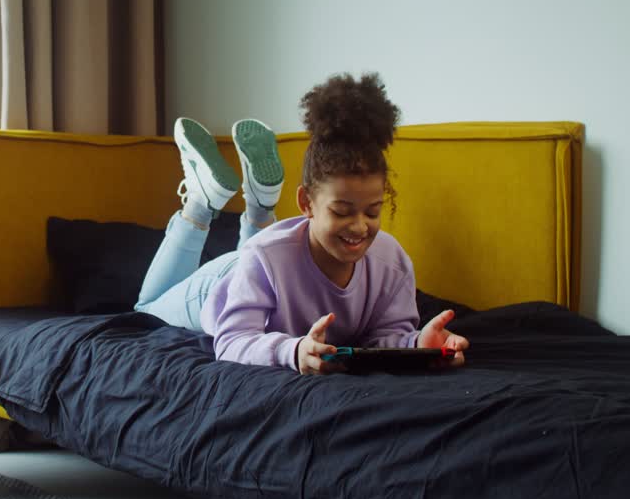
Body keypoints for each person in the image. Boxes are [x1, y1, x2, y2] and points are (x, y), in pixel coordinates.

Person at [134, 72, 469, 374]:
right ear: (306, 203)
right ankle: (200, 204)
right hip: (226, 280)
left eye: (372, 212)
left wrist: (418, 344)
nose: (359, 227)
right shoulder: (264, 258)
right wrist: (292, 351)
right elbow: (233, 340)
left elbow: (385, 336)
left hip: (271, 260)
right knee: (144, 308)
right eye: (342, 212)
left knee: (270, 255)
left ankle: (260, 208)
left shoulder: (392, 262)